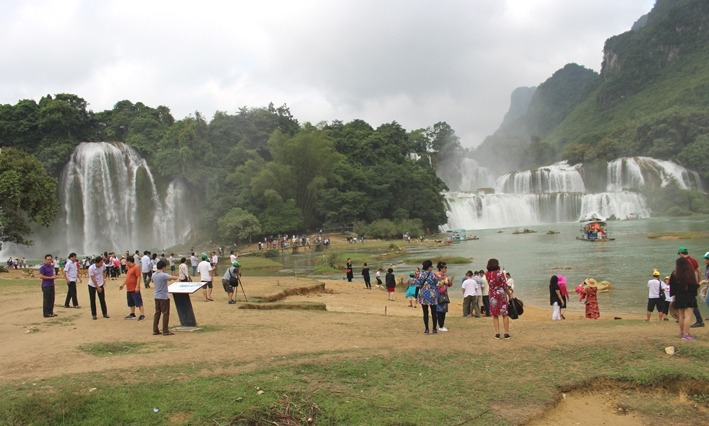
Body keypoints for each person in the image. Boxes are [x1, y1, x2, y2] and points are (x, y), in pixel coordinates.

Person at [670, 256, 699, 340]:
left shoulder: (674, 273)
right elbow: (693, 285)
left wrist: (674, 296)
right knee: (688, 316)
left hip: (679, 297)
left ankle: (682, 333)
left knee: (681, 316)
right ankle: (687, 335)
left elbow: (672, 286)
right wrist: (699, 285)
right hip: (689, 296)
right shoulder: (690, 273)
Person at [677, 246, 704, 328]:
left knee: (690, 302)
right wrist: (699, 282)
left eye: (679, 254)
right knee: (692, 301)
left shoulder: (682, 262)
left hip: (685, 285)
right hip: (693, 284)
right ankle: (698, 320)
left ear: (681, 254)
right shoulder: (693, 260)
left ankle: (698, 320)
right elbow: (699, 271)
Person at [486, 259, 513, 339]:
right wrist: (509, 294)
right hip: (501, 295)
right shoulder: (500, 273)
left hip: (492, 295)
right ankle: (506, 333)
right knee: (504, 314)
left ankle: (497, 333)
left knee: (495, 315)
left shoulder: (487, 274)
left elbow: (490, 284)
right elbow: (504, 286)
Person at [152, 260, 179, 336]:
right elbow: (174, 278)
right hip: (163, 297)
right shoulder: (163, 275)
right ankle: (165, 330)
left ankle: (155, 329)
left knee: (157, 313)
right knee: (165, 314)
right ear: (163, 267)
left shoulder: (154, 275)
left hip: (156, 296)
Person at [416, 260, 439, 334]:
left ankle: (426, 329)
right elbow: (437, 283)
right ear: (429, 267)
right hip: (432, 294)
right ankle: (434, 329)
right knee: (434, 312)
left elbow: (418, 284)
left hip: (423, 294)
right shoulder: (433, 275)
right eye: (431, 266)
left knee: (425, 312)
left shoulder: (420, 274)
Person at [119, 256, 145, 321]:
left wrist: (137, 286)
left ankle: (142, 315)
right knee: (131, 302)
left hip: (134, 288)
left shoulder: (136, 268)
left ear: (129, 261)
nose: (125, 263)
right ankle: (132, 313)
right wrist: (122, 285)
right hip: (129, 289)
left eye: (126, 261)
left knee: (138, 302)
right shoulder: (129, 268)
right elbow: (127, 278)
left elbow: (138, 277)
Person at [88, 256, 109, 320]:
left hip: (100, 283)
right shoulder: (91, 268)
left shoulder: (103, 265)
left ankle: (105, 313)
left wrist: (104, 278)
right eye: (101, 262)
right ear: (97, 263)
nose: (102, 263)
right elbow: (93, 278)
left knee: (102, 299)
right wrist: (97, 287)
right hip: (92, 285)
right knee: (92, 300)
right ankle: (94, 314)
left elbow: (105, 271)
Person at [435, 262, 453, 331]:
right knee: (439, 310)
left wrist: (451, 280)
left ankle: (442, 325)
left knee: (444, 310)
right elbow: (437, 284)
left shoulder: (445, 276)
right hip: (438, 294)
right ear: (441, 268)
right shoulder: (436, 275)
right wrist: (444, 282)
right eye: (445, 268)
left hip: (445, 294)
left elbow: (449, 284)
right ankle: (440, 326)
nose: (446, 269)